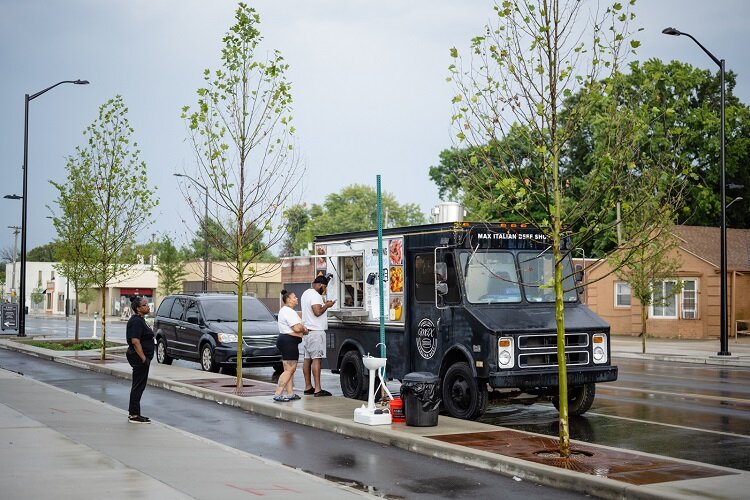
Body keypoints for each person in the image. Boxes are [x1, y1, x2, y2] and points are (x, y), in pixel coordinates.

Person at [301, 275, 335, 397]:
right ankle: (318, 389)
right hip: (316, 332)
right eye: (324, 287)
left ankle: (308, 386)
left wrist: (323, 304)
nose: (324, 290)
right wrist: (327, 305)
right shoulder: (315, 295)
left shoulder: (305, 293)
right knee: (317, 360)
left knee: (307, 359)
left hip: (307, 331)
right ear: (320, 285)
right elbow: (317, 312)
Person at [273, 290, 308, 402]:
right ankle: (278, 394)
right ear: (288, 299)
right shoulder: (288, 311)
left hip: (287, 341)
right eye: (294, 297)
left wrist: (301, 328)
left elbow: (298, 328)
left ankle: (290, 394)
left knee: (289, 370)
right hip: (289, 342)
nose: (296, 298)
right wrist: (303, 328)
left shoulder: (287, 311)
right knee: (289, 370)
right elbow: (297, 328)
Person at [126, 296, 155, 423]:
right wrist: (143, 358)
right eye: (144, 305)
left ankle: (134, 413)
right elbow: (135, 341)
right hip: (138, 358)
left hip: (141, 358)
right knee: (138, 386)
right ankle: (134, 415)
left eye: (147, 304)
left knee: (139, 385)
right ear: (138, 308)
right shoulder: (136, 321)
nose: (147, 306)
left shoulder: (140, 320)